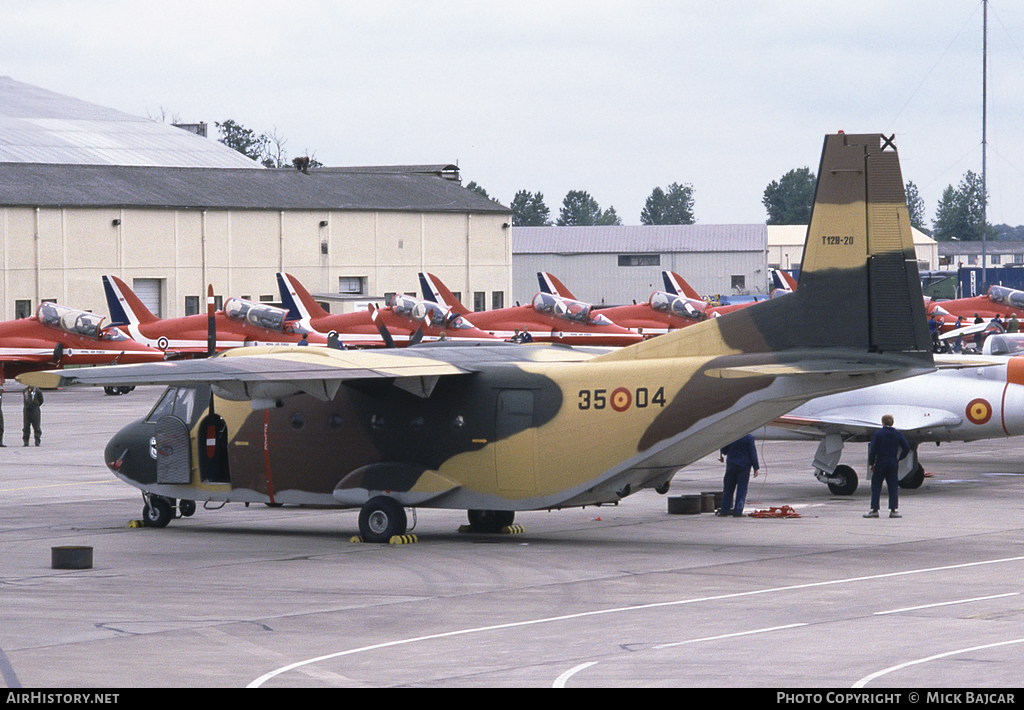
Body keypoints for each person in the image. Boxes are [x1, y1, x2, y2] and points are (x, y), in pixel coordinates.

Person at [865, 414, 910, 518]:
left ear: (883, 422)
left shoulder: (878, 434)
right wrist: (900, 458)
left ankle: (875, 509)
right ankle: (893, 510)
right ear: (892, 422)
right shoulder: (897, 433)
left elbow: (873, 450)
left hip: (880, 462)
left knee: (876, 486)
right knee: (893, 486)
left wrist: (871, 463)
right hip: (892, 462)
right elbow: (906, 447)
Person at [717, 434, 759, 517]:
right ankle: (738, 511)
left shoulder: (731, 435)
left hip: (731, 464)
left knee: (728, 488)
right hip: (744, 466)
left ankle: (724, 510)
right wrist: (756, 467)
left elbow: (724, 450)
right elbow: (752, 453)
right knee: (742, 489)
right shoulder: (749, 437)